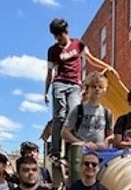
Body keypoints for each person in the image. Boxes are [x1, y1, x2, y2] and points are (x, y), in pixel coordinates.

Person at [43, 18, 112, 162]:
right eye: (55, 36)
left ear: (66, 32)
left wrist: (107, 66)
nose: (58, 39)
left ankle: (71, 151)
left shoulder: (78, 45)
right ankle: (55, 151)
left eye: (60, 35)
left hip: (75, 84)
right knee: (60, 116)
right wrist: (45, 91)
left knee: (73, 115)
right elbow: (49, 73)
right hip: (59, 84)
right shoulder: (52, 50)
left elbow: (91, 59)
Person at [61, 71, 114, 152]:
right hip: (81, 153)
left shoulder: (107, 113)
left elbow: (111, 135)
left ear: (104, 90)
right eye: (94, 86)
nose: (97, 89)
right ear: (87, 89)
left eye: (100, 87)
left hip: (100, 154)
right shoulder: (78, 109)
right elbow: (65, 132)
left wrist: (105, 143)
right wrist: (81, 143)